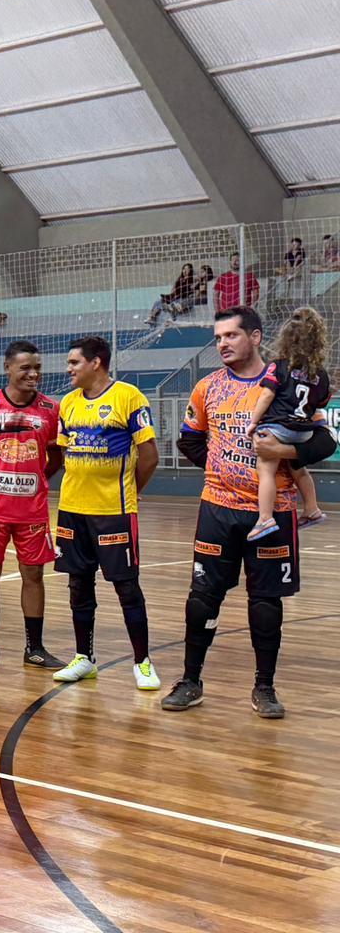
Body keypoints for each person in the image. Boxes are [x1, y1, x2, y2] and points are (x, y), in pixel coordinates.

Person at [165, 305, 337, 717]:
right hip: (218, 509)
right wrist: (220, 467)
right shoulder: (207, 387)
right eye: (218, 337)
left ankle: (265, 687)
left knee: (265, 602)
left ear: (256, 337)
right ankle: (191, 680)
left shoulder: (290, 379)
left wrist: (286, 451)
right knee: (202, 597)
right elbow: (188, 440)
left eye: (231, 336)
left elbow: (326, 441)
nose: (222, 343)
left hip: (275, 512)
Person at [51, 335, 161, 690]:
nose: (68, 369)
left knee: (126, 587)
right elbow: (65, 454)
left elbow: (149, 456)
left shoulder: (128, 397)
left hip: (113, 511)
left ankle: (142, 662)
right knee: (77, 585)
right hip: (72, 510)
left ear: (96, 362)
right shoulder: (67, 404)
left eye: (74, 363)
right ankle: (85, 658)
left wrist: (130, 493)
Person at [0, 341, 65, 671]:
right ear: (8, 368)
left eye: (37, 368)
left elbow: (55, 458)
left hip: (32, 511)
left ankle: (34, 648)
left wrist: (34, 479)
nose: (33, 374)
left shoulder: (51, 409)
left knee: (33, 575)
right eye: (25, 368)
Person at [246, 307, 331, 540]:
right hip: (303, 431)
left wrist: (253, 422)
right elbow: (321, 401)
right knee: (298, 467)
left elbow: (267, 396)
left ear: (286, 337)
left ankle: (264, 518)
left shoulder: (279, 365)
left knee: (266, 469)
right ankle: (312, 509)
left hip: (278, 427)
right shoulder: (321, 374)